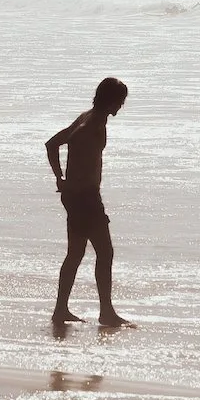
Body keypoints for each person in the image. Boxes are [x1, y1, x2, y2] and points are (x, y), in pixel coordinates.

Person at [45, 77, 131, 327]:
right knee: (105, 252)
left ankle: (61, 310)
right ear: (111, 99)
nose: (122, 106)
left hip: (75, 196)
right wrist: (67, 179)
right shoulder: (92, 122)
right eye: (120, 100)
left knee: (76, 253)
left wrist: (61, 178)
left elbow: (52, 144)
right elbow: (67, 142)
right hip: (85, 198)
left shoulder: (88, 116)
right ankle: (106, 312)